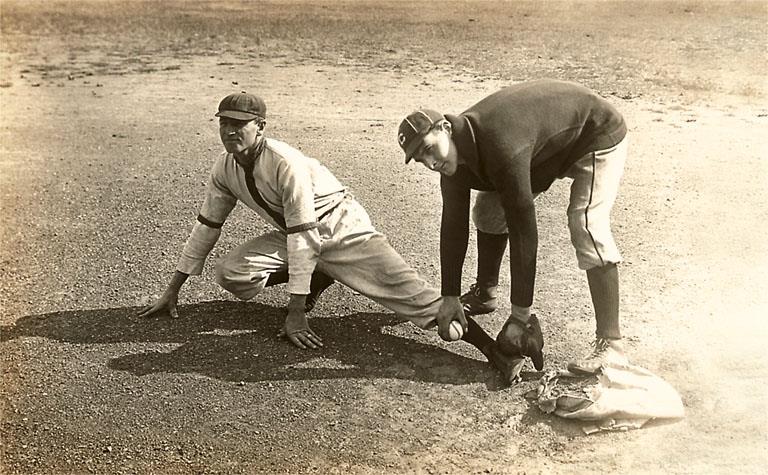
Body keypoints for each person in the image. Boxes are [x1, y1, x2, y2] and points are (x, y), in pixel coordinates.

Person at [139, 92, 503, 373]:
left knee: (416, 298)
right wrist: (173, 290)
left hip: (342, 228)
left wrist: (295, 312)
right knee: (232, 273)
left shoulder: (285, 163)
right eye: (225, 124)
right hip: (297, 232)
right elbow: (207, 225)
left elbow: (304, 237)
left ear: (260, 126)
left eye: (241, 124)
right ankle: (320, 274)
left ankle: (493, 350)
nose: (231, 131)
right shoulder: (224, 168)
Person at [397, 79, 630, 381]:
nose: (430, 163)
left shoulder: (499, 143)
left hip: (593, 132)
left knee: (586, 224)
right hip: (546, 146)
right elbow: (453, 224)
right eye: (420, 158)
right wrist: (450, 296)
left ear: (445, 128)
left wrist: (521, 317)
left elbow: (523, 228)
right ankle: (485, 293)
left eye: (429, 149)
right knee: (488, 211)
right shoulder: (453, 155)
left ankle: (611, 343)